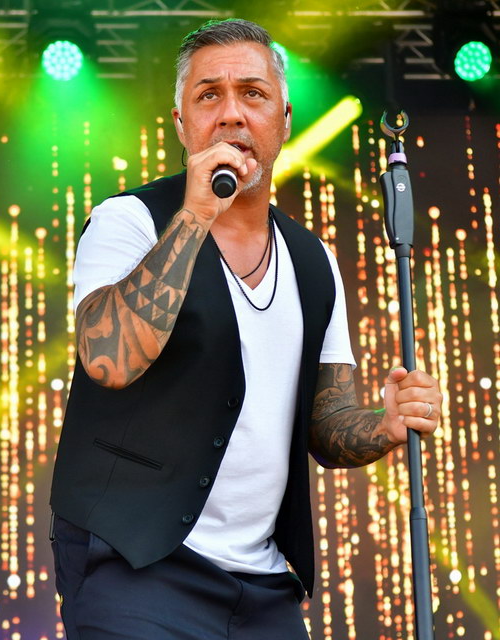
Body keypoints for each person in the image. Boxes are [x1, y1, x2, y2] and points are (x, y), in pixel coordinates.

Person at [49, 18, 442, 640]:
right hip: (137, 566)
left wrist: (385, 425)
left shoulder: (313, 261)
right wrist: (196, 213)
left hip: (263, 586)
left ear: (283, 120)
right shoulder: (128, 221)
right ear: (182, 124)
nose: (231, 114)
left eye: (252, 94)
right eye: (209, 95)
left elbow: (326, 425)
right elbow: (109, 360)